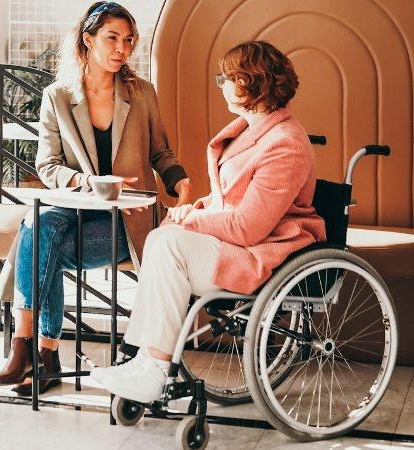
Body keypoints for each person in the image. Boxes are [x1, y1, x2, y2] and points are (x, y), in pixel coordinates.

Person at [91, 41, 327, 403]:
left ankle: (153, 366)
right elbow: (229, 199)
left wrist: (195, 218)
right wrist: (193, 211)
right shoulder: (251, 130)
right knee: (161, 237)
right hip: (240, 241)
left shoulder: (285, 144)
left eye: (228, 78)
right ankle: (143, 358)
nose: (222, 85)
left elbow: (249, 226)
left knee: (169, 244)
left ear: (253, 81)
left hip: (266, 252)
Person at [0, 1, 193, 395]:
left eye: (129, 40)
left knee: (39, 242)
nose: (122, 48)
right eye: (112, 38)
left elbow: (161, 153)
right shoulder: (58, 96)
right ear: (88, 39)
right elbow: (47, 165)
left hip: (128, 219)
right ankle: (36, 352)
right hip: (74, 210)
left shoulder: (142, 93)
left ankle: (31, 350)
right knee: (41, 223)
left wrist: (180, 182)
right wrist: (88, 181)